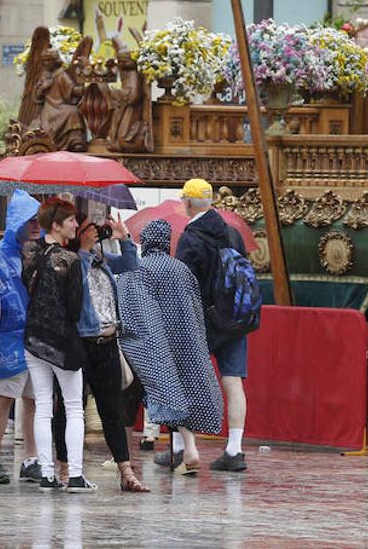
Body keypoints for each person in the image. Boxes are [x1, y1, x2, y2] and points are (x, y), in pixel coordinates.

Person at [119, 220, 223, 476]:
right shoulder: (182, 269)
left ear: (145, 241)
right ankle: (190, 448)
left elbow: (131, 308)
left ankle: (124, 455)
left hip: (150, 344)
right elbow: (195, 308)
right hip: (182, 342)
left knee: (132, 398)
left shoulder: (140, 268)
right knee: (179, 393)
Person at [60, 213, 148, 493]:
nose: (95, 232)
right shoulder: (70, 260)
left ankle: (126, 471)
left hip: (107, 341)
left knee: (112, 409)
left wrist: (124, 239)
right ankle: (65, 466)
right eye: (88, 229)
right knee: (71, 407)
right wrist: (86, 249)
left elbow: (131, 266)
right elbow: (78, 283)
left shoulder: (101, 259)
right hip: (82, 342)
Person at [171, 178, 249, 473]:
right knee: (233, 380)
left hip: (202, 321)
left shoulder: (190, 238)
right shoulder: (233, 233)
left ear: (189, 203)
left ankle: (182, 448)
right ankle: (234, 449)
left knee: (185, 380)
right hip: (235, 319)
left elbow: (182, 285)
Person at [22, 197, 94, 492]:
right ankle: (75, 474)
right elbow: (76, 308)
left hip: (34, 337)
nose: (76, 225)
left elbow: (29, 287)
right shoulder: (70, 260)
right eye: (71, 220)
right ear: (56, 225)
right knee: (74, 407)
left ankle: (47, 474)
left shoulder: (30, 251)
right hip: (63, 340)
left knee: (43, 406)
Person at [0, 189, 42, 485]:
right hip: (6, 337)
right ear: (17, 222)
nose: (36, 226)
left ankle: (31, 458)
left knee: (33, 399)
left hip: (34, 337)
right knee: (3, 398)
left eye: (39, 220)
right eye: (31, 220)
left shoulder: (38, 254)